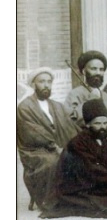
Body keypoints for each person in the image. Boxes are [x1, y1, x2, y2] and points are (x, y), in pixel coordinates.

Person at [16, 68, 78, 210]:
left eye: (49, 82)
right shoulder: (25, 106)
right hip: (35, 151)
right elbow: (32, 133)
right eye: (42, 81)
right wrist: (55, 147)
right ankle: (50, 201)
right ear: (33, 84)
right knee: (52, 162)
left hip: (58, 147)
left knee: (80, 157)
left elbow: (69, 127)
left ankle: (72, 197)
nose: (46, 85)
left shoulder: (57, 106)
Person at [65, 50, 107, 134]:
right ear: (84, 71)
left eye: (101, 69)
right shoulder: (74, 94)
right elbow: (70, 120)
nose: (98, 73)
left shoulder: (105, 95)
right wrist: (90, 100)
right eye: (93, 69)